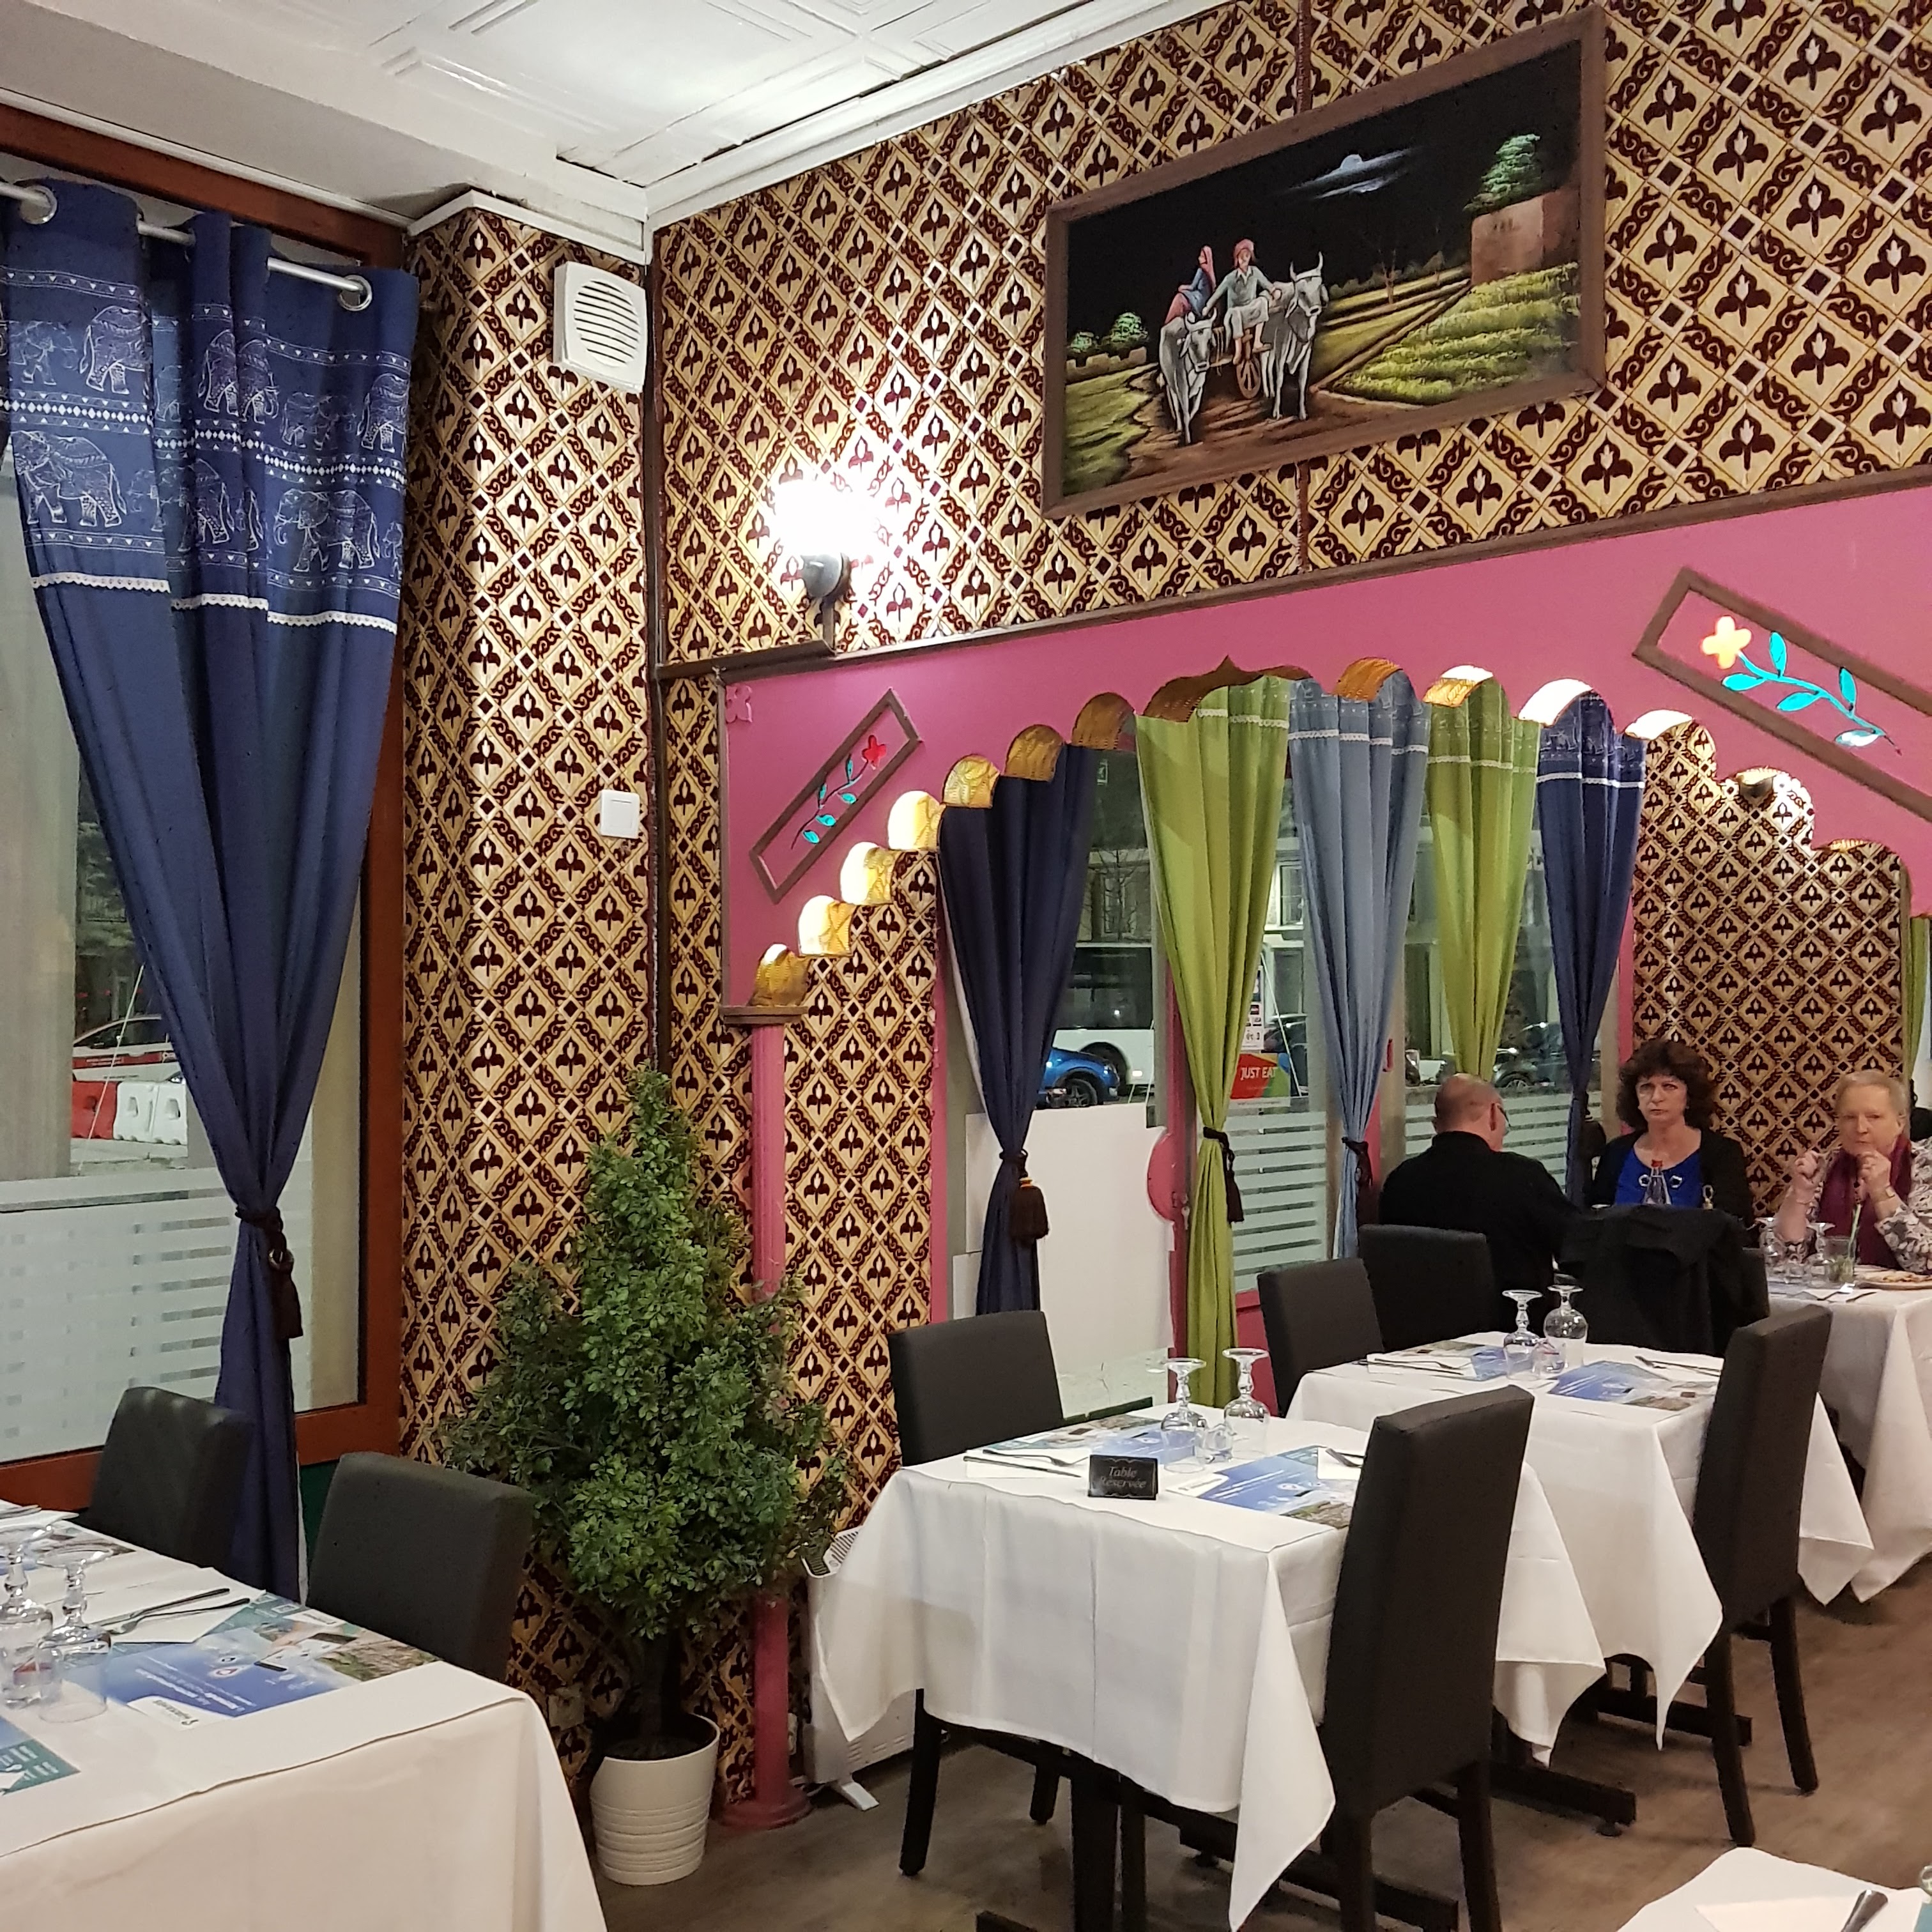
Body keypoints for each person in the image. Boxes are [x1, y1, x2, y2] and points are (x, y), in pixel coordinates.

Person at [1378, 1072, 1575, 1301]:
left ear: (1436, 1125)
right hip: (1513, 1320)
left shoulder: (1399, 1183)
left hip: (1415, 1322)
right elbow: (1577, 1247)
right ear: (1493, 1114)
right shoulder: (1522, 1177)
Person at [1774, 1069, 1932, 1271]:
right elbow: (1784, 1259)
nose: (1860, 1128)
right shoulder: (1825, 1166)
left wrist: (1883, 1194)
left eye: (1874, 1117)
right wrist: (1800, 1195)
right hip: (1832, 1288)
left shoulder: (1924, 1166)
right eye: (1849, 1117)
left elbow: (1926, 1262)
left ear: (1900, 1123)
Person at [1588, 1038, 1753, 1220]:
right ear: (1635, 1098)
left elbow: (1735, 1226)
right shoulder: (1616, 1153)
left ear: (1690, 1096)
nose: (1656, 1097)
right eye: (1646, 1087)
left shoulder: (1722, 1154)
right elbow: (1597, 1222)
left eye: (1669, 1086)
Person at [1164, 245, 1215, 325]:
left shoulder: (1201, 271)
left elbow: (1192, 287)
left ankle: (1168, 323)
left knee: (1179, 298)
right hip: (1201, 300)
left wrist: (1182, 288)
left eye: (1202, 256)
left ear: (1206, 259)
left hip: (1199, 300)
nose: (1199, 258)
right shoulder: (1207, 274)